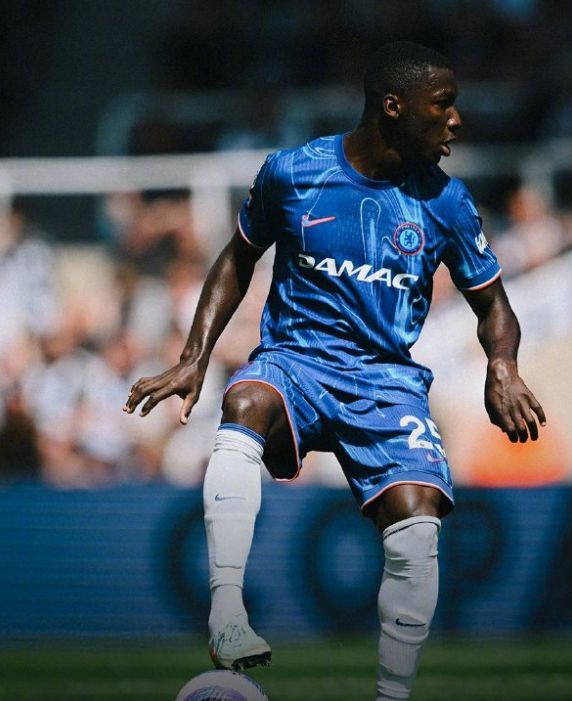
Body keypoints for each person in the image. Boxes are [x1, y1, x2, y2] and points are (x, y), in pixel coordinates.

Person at [124, 42, 546, 701]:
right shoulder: (294, 173)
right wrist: (194, 356)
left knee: (419, 520)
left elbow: (494, 306)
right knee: (245, 402)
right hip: (295, 359)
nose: (456, 120)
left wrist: (504, 365)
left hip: (386, 380)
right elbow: (238, 258)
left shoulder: (448, 203)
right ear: (393, 107)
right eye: (443, 105)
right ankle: (227, 614)